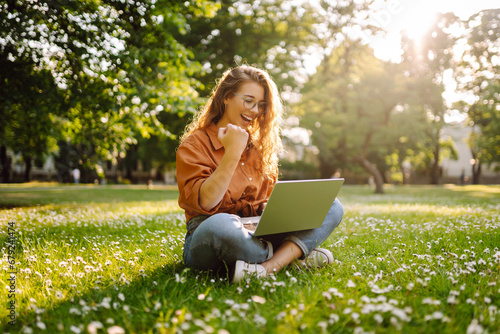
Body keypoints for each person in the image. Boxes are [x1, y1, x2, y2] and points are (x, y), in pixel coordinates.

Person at [176, 65, 344, 283]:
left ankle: (266, 268)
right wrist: (233, 152)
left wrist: (279, 211)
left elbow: (264, 202)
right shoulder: (195, 144)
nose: (255, 110)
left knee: (332, 205)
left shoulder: (259, 148)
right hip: (211, 236)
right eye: (248, 101)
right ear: (226, 97)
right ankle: (291, 258)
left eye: (261, 105)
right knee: (221, 226)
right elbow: (207, 203)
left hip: (257, 231)